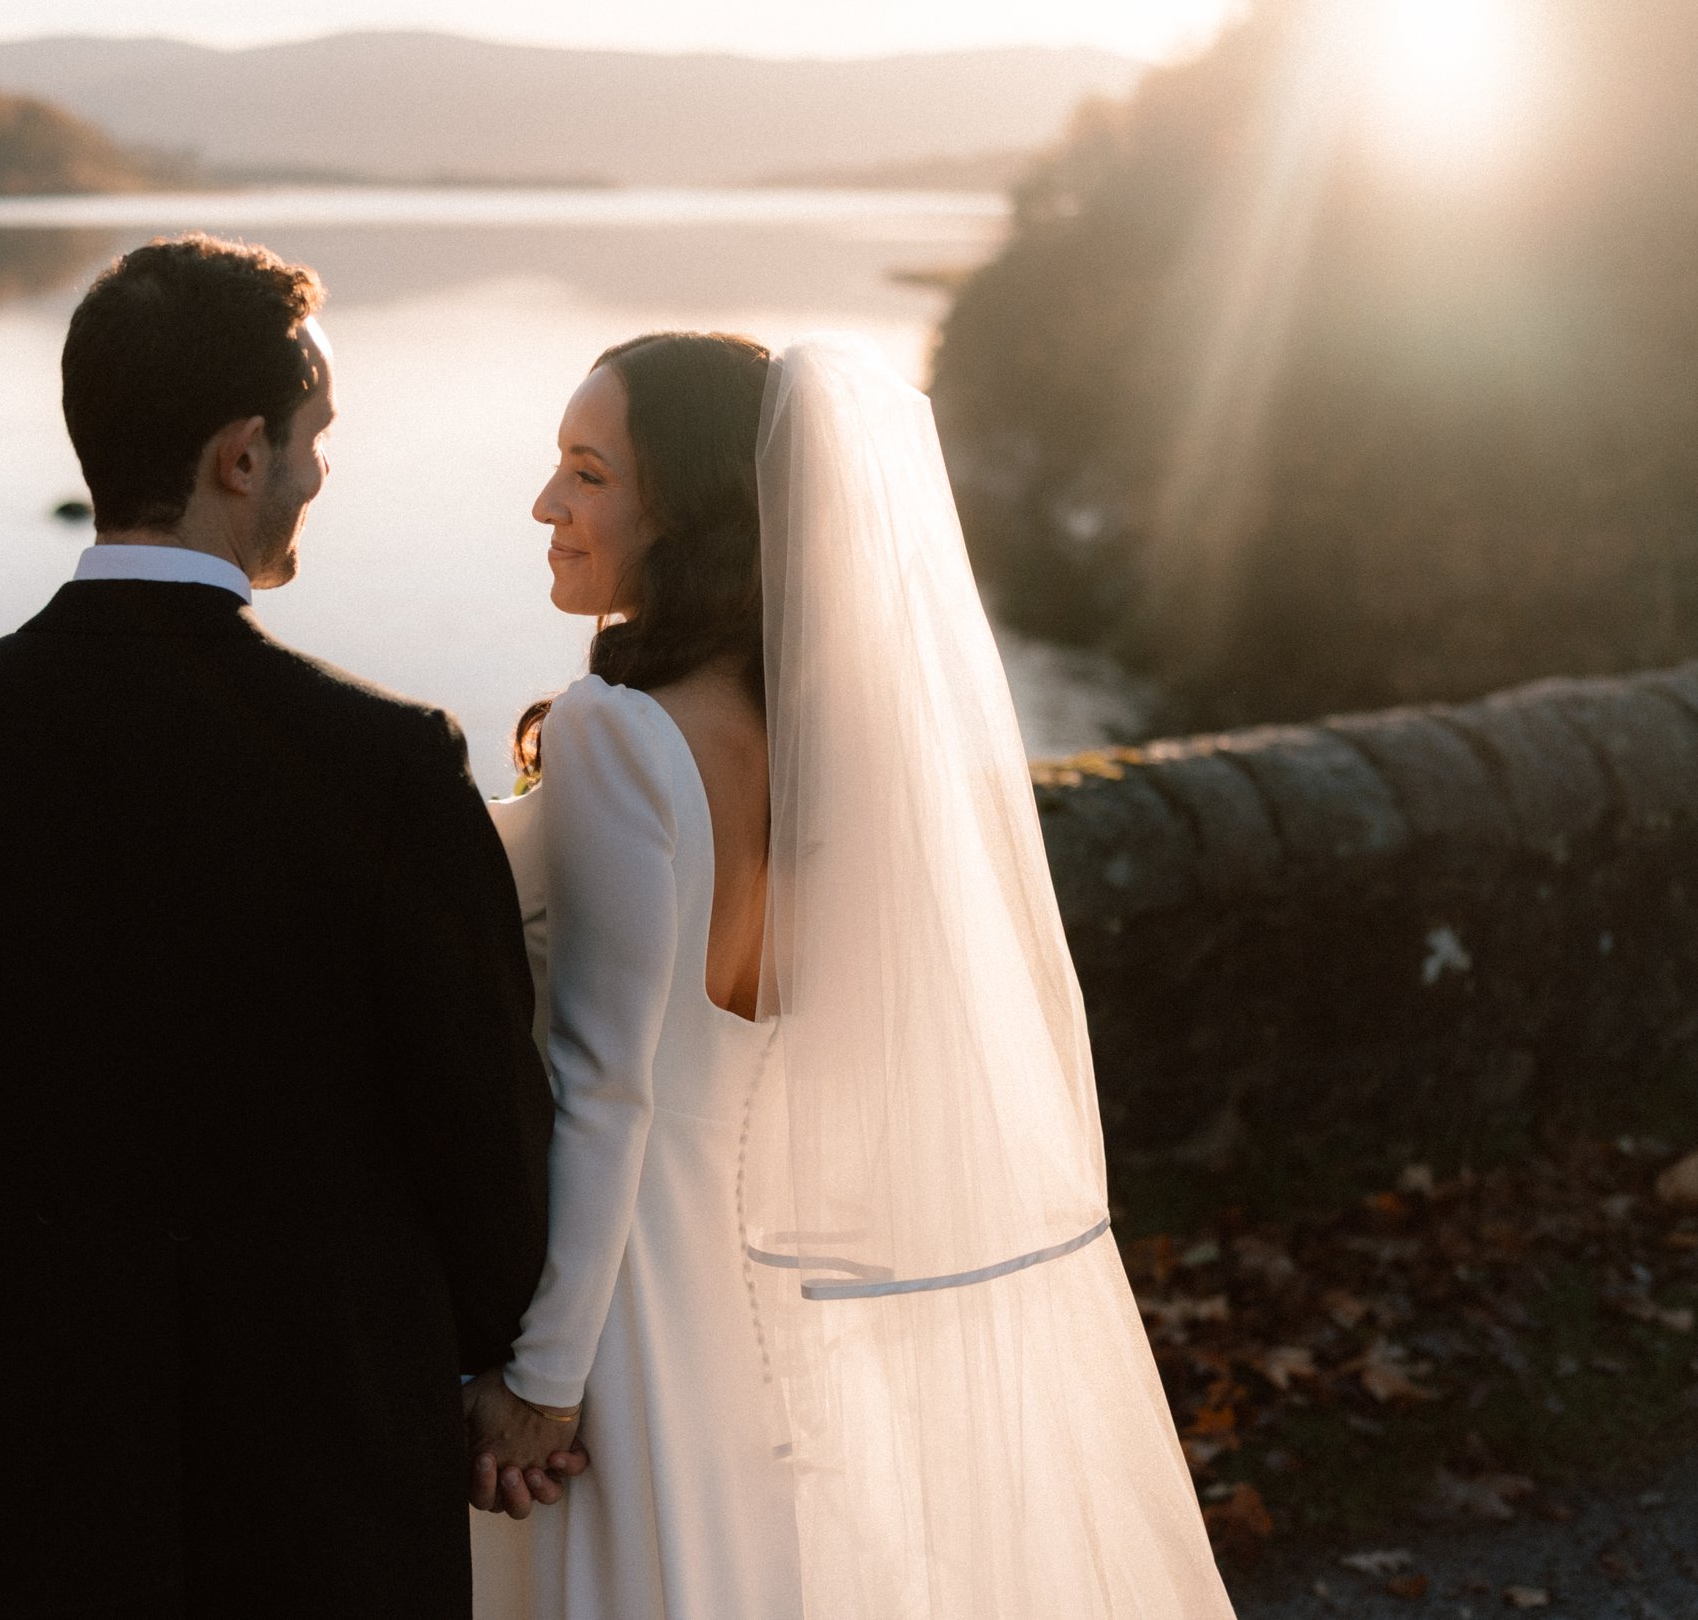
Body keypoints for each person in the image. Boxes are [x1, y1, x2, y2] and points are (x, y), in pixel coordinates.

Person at [0, 235, 555, 1617]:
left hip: (31, 1406)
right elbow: (477, 1099)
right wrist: (502, 1363)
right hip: (338, 1414)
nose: (321, 470)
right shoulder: (389, 760)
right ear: (239, 457)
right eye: (311, 436)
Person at [468, 331, 1235, 1619]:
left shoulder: (617, 731)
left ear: (691, 510)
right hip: (751, 1276)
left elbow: (612, 1092)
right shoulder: (830, 738)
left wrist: (543, 1378)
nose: (547, 505)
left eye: (587, 473)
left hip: (621, 1291)